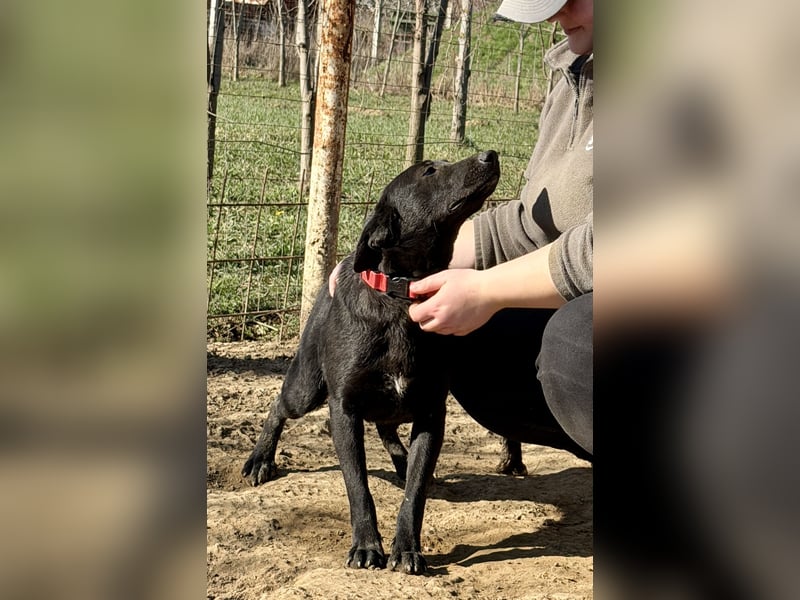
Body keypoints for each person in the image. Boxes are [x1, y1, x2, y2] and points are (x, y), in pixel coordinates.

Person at [331, 0, 593, 458]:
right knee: (467, 343)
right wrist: (374, 261)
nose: (556, 14)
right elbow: (534, 221)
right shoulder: (573, 78)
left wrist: (487, 290)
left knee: (576, 348)